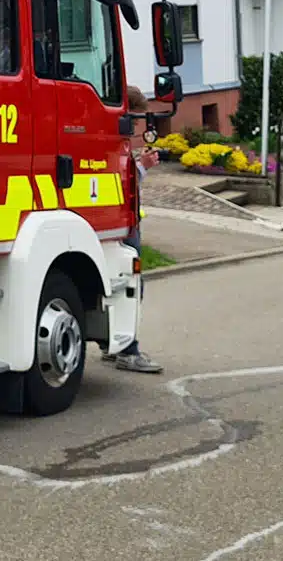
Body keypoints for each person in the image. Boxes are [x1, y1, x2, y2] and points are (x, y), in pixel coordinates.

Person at [112, 86, 163, 374]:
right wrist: (142, 167)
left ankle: (119, 344)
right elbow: (123, 185)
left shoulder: (119, 142)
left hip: (126, 221)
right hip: (124, 223)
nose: (137, 127)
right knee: (132, 285)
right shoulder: (118, 144)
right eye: (136, 119)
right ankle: (128, 351)